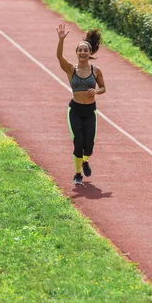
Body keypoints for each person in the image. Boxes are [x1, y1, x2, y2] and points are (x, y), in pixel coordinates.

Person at [56, 23, 106, 185]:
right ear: (77, 53)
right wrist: (61, 40)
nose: (83, 52)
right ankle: (77, 174)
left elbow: (103, 88)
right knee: (78, 141)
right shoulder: (71, 69)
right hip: (75, 110)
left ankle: (85, 161)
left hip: (90, 111)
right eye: (80, 50)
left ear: (90, 53)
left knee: (89, 145)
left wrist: (96, 92)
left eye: (86, 50)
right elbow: (59, 57)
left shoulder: (96, 70)